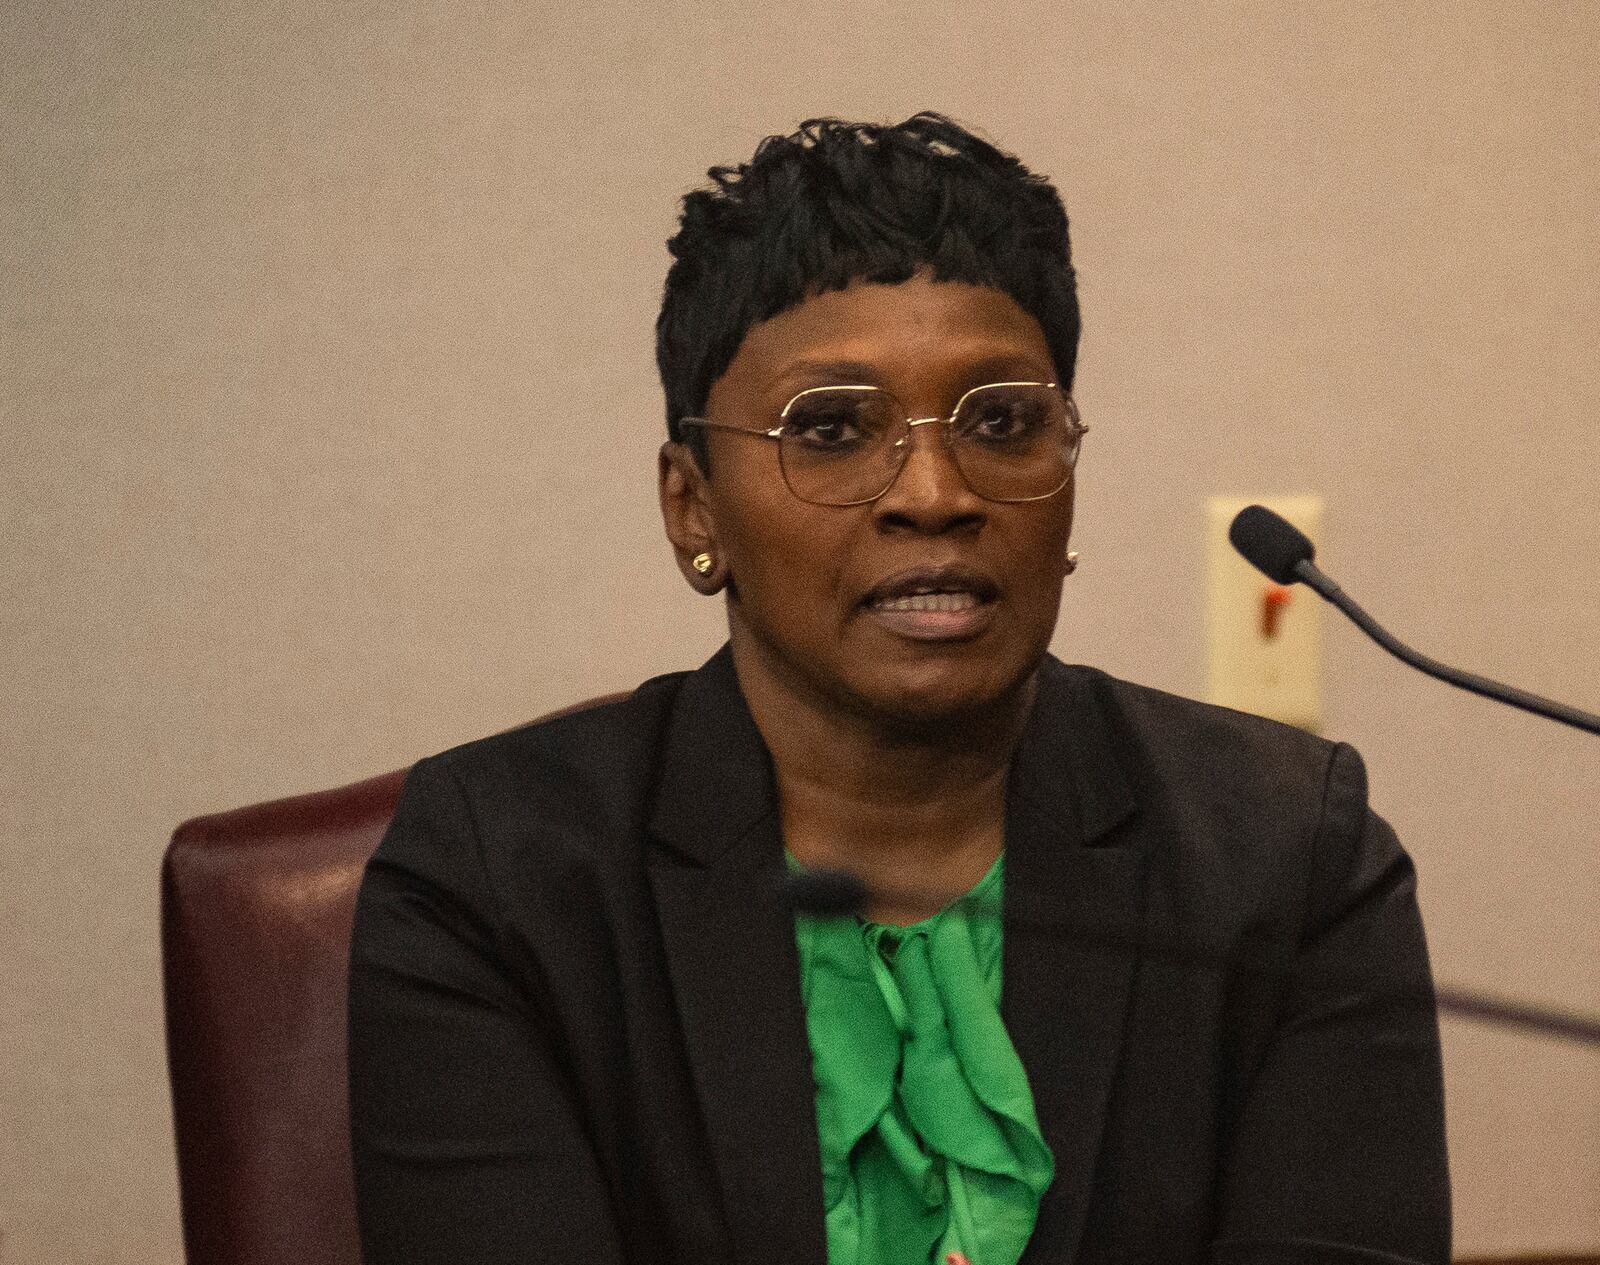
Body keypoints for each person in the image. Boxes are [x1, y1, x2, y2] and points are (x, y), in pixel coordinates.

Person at [348, 114, 1450, 1265]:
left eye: (1003, 421)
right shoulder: (496, 875)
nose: (933, 490)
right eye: (828, 428)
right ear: (694, 508)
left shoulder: (1284, 856)